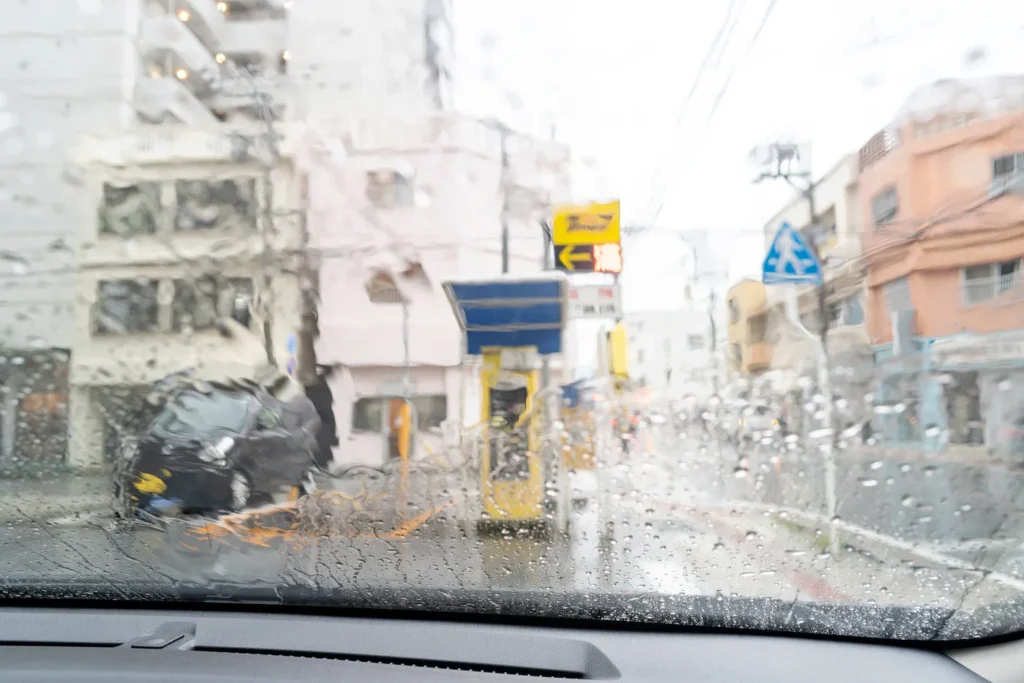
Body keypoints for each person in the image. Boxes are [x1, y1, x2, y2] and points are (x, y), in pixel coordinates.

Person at [305, 364, 338, 470]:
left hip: (321, 414)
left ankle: (322, 463)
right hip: (322, 414)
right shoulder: (319, 384)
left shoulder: (315, 385)